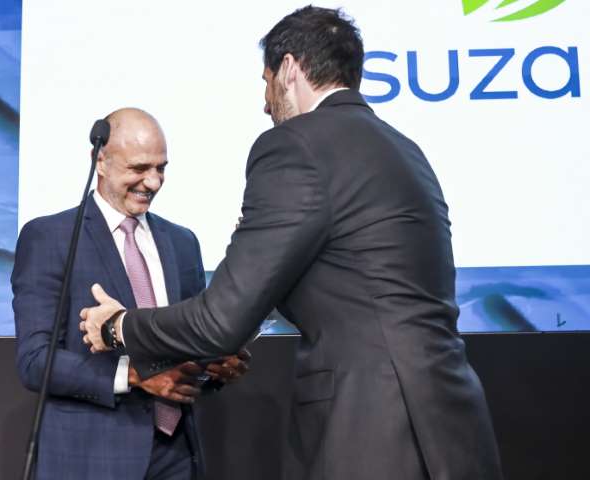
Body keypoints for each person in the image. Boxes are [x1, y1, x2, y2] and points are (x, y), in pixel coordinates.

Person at [79, 7, 503, 480]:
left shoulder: (294, 144)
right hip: (452, 420)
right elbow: (355, 285)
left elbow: (220, 322)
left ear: (288, 69)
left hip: (372, 426)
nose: (266, 103)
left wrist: (119, 326)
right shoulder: (404, 148)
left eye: (265, 82)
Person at [12, 108, 248, 480]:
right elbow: (35, 361)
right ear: (100, 161)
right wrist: (133, 375)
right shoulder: (50, 237)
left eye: (161, 168)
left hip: (177, 454)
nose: (152, 182)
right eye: (139, 168)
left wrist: (217, 366)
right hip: (91, 458)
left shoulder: (183, 242)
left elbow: (192, 343)